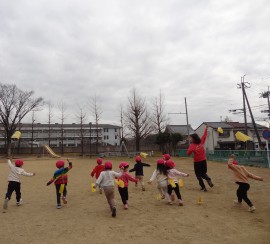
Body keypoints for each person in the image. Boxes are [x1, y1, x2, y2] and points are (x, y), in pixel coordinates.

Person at [187, 125, 214, 191]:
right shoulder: (201, 142)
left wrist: (190, 150)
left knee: (198, 175)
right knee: (203, 173)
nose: (190, 139)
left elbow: (188, 154)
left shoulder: (192, 146)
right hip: (204, 161)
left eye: (191, 138)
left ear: (193, 139)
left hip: (197, 162)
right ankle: (208, 179)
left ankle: (203, 187)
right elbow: (204, 135)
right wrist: (206, 128)